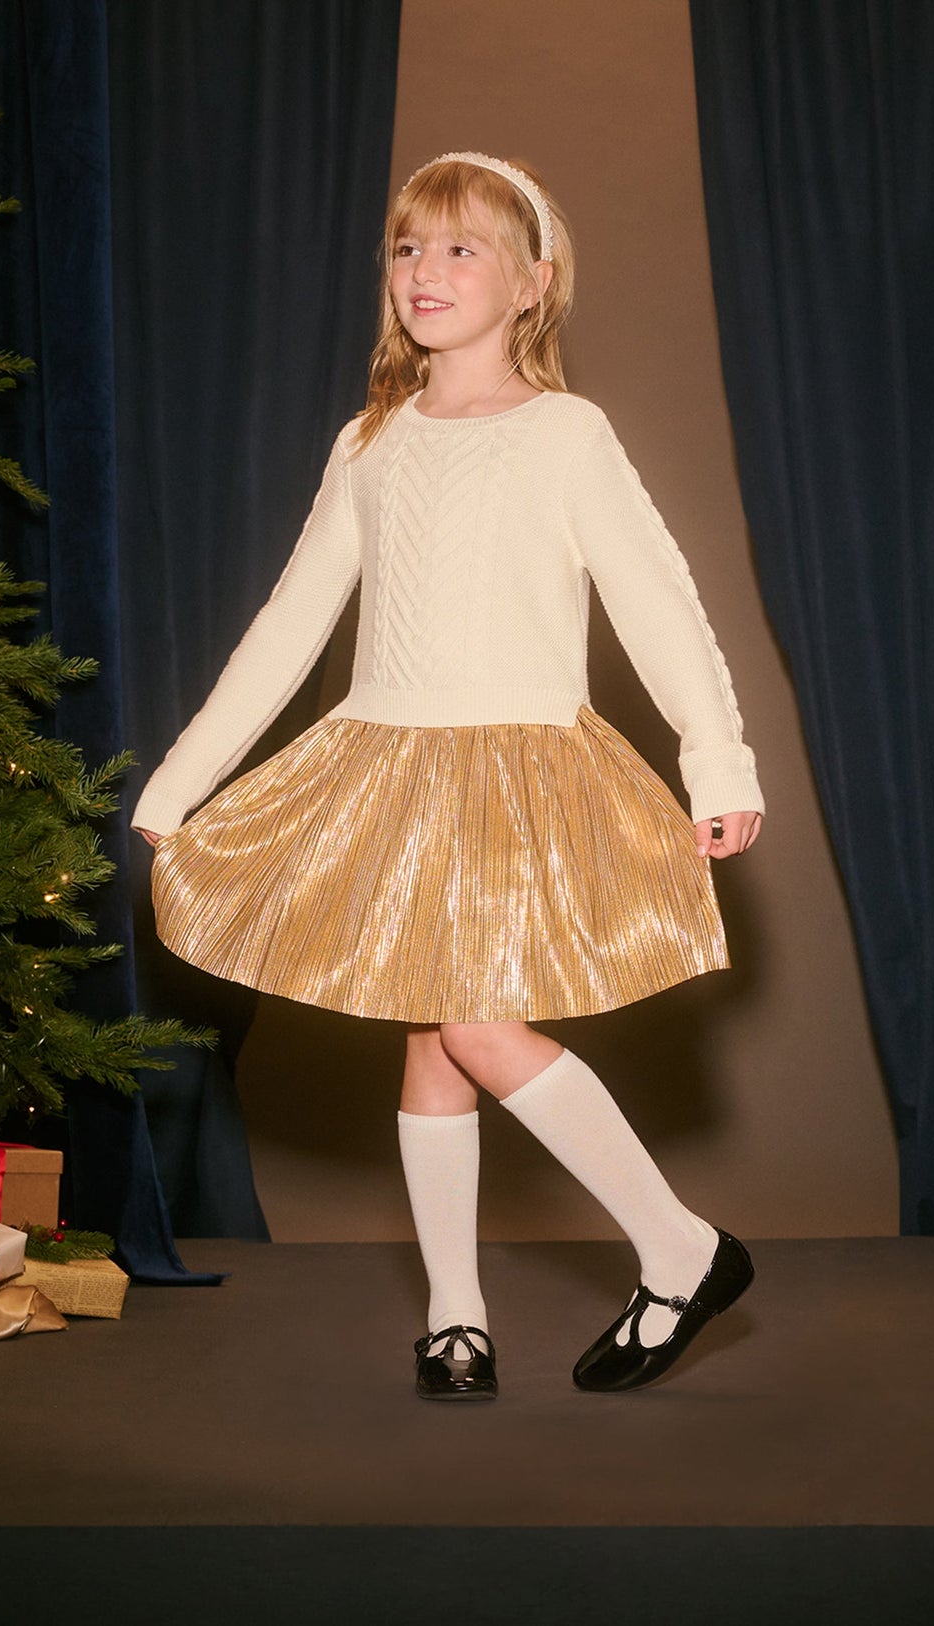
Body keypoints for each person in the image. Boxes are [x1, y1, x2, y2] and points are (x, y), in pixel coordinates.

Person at [132, 152, 764, 1401]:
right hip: (385, 765)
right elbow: (289, 623)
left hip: (519, 765)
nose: (428, 271)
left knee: (473, 1022)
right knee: (429, 1034)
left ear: (532, 283)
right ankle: (456, 1318)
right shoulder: (370, 442)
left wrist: (716, 756)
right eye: (407, 250)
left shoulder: (566, 433)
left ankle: (681, 1247)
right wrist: (181, 782)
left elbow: (659, 603)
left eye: (462, 249)